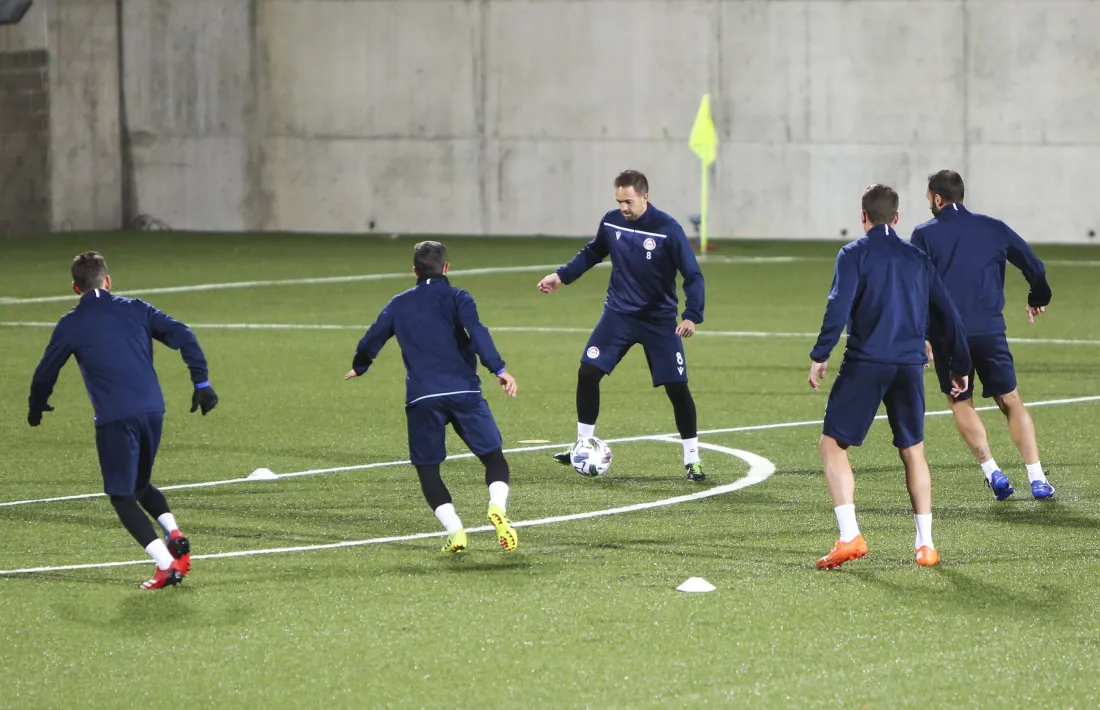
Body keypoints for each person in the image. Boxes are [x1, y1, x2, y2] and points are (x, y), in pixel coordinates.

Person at [27, 252, 219, 589]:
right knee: (139, 485)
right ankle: (173, 531)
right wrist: (201, 383)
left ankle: (166, 565)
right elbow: (184, 335)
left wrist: (36, 405)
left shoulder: (71, 323)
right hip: (153, 411)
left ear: (75, 287)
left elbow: (45, 373)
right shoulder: (137, 309)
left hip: (116, 418)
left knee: (121, 495)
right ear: (108, 281)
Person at [808, 185, 971, 570]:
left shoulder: (853, 254)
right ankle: (926, 545)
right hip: (910, 365)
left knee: (832, 445)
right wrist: (960, 364)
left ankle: (850, 536)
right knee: (913, 451)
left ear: (862, 216)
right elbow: (947, 312)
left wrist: (820, 354)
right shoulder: (917, 257)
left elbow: (838, 306)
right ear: (897, 218)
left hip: (867, 362)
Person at [346, 241, 519, 554]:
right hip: (465, 392)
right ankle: (497, 507)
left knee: (428, 470)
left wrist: (360, 366)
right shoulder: (459, 297)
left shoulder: (399, 303)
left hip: (423, 397)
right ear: (447, 268)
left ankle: (456, 532)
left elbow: (371, 338)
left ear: (414, 271)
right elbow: (478, 332)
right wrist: (499, 369)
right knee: (493, 457)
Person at [538, 170, 707, 481]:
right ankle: (582, 444)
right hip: (618, 316)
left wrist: (691, 315)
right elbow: (593, 252)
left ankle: (692, 458)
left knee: (677, 388)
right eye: (619, 201)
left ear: (645, 196)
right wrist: (560, 276)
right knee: (588, 371)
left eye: (628, 201)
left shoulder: (668, 230)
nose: (623, 207)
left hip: (659, 321)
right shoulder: (611, 221)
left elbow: (693, 274)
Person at [911, 170, 1055, 500]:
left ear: (936, 198)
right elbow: (1034, 266)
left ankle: (993, 472)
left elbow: (916, 287)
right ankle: (1037, 477)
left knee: (960, 399)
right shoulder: (993, 227)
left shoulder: (923, 234)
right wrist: (1038, 297)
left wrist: (923, 334)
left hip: (950, 335)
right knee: (1010, 400)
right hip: (990, 331)